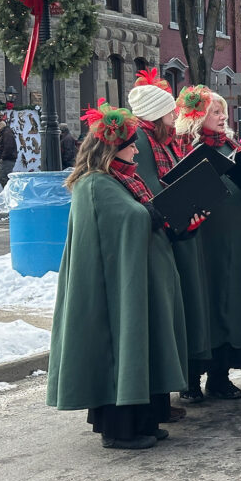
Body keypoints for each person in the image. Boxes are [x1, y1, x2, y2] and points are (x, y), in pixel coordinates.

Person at [46, 101, 199, 449]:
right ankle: (119, 430)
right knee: (122, 350)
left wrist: (169, 216)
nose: (135, 149)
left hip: (137, 281)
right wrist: (154, 213)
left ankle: (146, 419)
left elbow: (139, 215)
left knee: (145, 345)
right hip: (114, 292)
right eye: (129, 144)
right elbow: (126, 221)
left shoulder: (122, 178)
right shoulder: (95, 184)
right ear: (111, 148)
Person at [175, 86, 241, 400]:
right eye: (214, 112)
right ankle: (191, 380)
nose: (222, 117)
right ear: (196, 117)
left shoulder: (233, 147)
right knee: (202, 305)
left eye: (222, 111)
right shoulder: (183, 147)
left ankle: (220, 376)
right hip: (203, 242)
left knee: (228, 304)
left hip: (233, 242)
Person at [128, 69, 212, 421]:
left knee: (183, 312)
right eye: (168, 112)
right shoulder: (144, 142)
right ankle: (166, 395)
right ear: (153, 115)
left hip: (180, 231)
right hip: (166, 234)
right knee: (168, 316)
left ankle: (177, 387)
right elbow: (150, 187)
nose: (174, 117)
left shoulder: (164, 140)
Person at [0, 114, 17, 188]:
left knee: (3, 177)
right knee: (4, 177)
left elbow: (8, 146)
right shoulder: (5, 132)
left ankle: (9, 194)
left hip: (6, 159)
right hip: (6, 159)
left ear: (0, 125)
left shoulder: (6, 133)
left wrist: (2, 158)